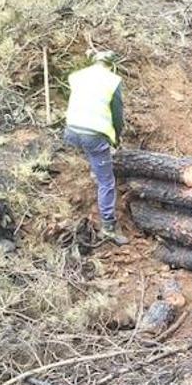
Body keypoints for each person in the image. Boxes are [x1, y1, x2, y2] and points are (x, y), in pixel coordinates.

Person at [64, 49, 127, 245]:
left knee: (93, 157)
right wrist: (116, 137)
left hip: (71, 131)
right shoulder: (112, 80)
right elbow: (117, 115)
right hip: (93, 135)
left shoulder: (77, 76)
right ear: (111, 64)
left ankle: (94, 170)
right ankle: (108, 226)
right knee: (107, 181)